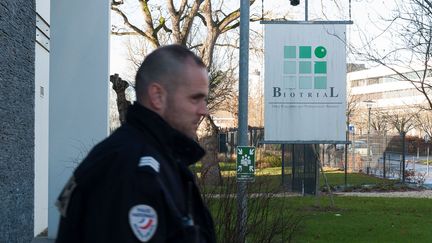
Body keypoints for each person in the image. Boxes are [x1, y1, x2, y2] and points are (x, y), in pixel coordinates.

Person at [55, 44, 216, 243]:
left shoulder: (158, 160)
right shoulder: (131, 169)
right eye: (195, 99)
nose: (204, 110)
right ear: (157, 96)